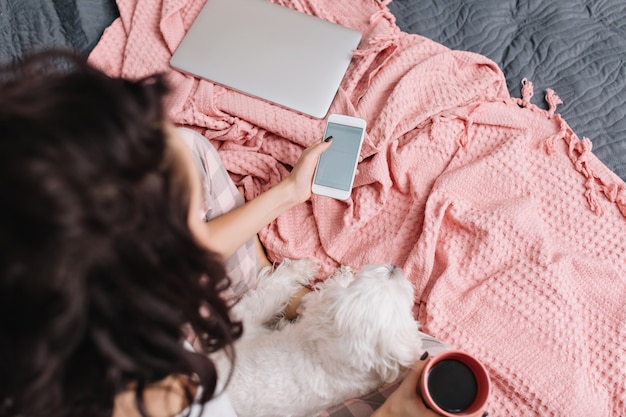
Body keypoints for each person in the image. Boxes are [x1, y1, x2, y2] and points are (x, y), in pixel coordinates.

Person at [0, 50, 441, 417]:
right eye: (184, 221)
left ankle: (273, 288)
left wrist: (290, 191)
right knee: (430, 370)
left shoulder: (39, 274)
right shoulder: (168, 401)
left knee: (187, 151)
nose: (200, 237)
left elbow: (184, 248)